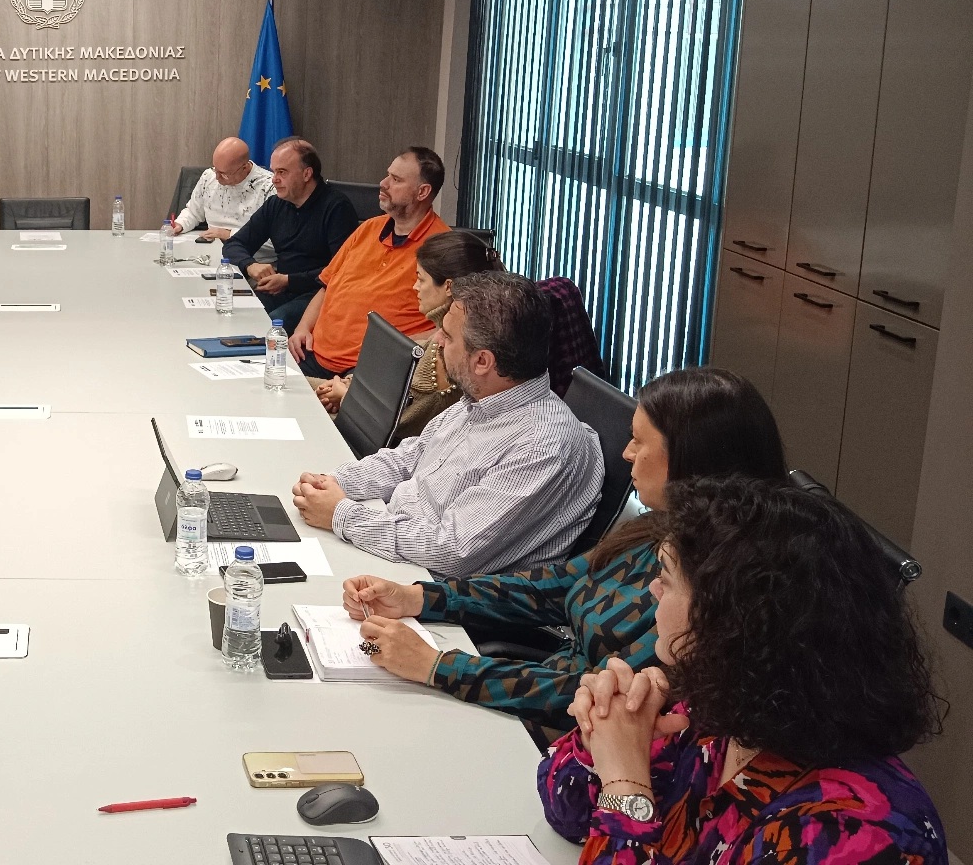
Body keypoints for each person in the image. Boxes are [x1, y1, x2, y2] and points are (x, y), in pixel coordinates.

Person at [338, 367, 786, 732]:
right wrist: (421, 597)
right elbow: (556, 585)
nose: (626, 453)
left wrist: (438, 666)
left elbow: (596, 696)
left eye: (640, 441)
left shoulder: (711, 586)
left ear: (690, 458)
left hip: (565, 729)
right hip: (528, 699)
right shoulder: (662, 525)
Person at [539, 477, 946, 865]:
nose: (653, 589)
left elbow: (618, 810)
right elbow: (569, 814)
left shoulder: (851, 833)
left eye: (667, 579)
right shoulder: (719, 712)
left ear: (734, 621)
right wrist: (603, 738)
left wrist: (625, 783)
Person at [292, 272, 603, 578]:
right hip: (394, 540)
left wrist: (341, 514)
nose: (437, 341)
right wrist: (332, 483)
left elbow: (452, 551)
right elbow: (408, 458)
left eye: (448, 335)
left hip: (428, 583)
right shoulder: (483, 398)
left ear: (482, 361)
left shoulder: (540, 446)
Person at [289, 148, 452, 389]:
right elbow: (327, 286)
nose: (383, 183)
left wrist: (395, 350)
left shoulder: (442, 247)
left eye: (396, 179)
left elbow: (450, 325)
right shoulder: (369, 228)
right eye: (388, 175)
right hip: (313, 353)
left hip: (368, 369)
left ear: (422, 192)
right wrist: (303, 328)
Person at [316, 230, 502, 424]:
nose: (415, 287)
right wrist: (345, 386)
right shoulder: (440, 339)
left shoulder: (455, 354)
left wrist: (345, 396)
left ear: (448, 287)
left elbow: (400, 425)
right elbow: (383, 381)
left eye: (421, 279)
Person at [221, 138, 359, 332]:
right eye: (274, 171)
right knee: (234, 313)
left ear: (306, 174)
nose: (274, 179)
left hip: (318, 293)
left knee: (272, 326)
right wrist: (251, 265)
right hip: (280, 289)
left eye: (282, 172)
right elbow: (234, 244)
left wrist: (289, 280)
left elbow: (342, 270)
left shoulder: (336, 208)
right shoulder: (276, 204)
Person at [170, 137, 275, 260]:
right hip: (210, 255)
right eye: (215, 169)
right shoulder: (209, 176)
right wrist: (180, 224)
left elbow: (275, 242)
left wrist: (229, 234)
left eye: (224, 174)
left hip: (253, 261)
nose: (217, 178)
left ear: (245, 168)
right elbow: (193, 212)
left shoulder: (270, 187)